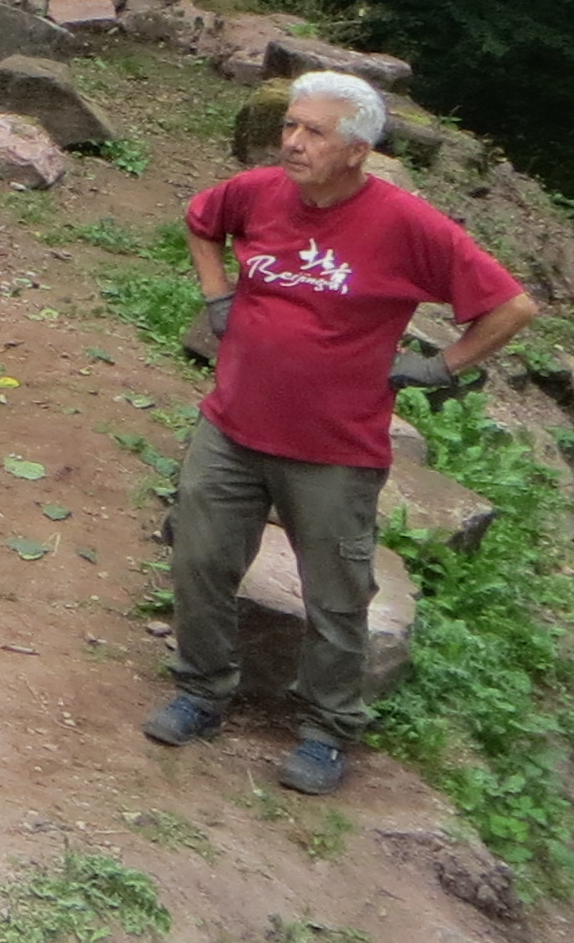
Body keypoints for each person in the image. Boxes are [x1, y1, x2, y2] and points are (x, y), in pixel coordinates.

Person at [145, 69, 536, 794]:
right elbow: (203, 221)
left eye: (313, 132)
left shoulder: (407, 225)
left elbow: (511, 307)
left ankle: (327, 731)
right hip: (231, 426)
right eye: (290, 126)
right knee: (200, 562)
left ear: (357, 150)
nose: (293, 142)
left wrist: (440, 366)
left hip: (333, 451)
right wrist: (218, 296)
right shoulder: (258, 192)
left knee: (335, 597)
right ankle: (201, 691)